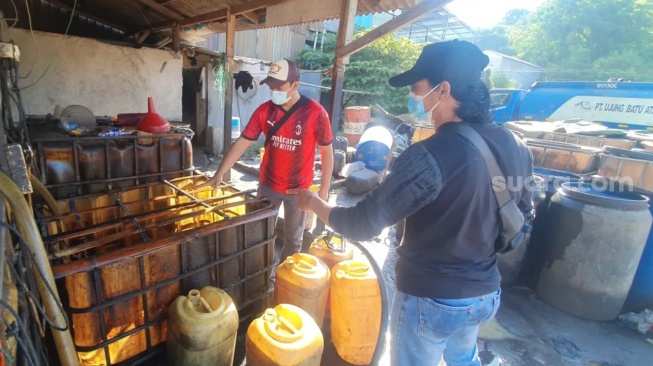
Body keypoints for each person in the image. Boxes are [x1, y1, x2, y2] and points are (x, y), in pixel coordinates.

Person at [289, 40, 534, 366]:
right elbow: (526, 211)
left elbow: (362, 224)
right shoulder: (518, 146)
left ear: (443, 90)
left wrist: (315, 203)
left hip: (432, 299)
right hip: (485, 294)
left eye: (418, 90)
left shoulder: (429, 155)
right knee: (464, 359)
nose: (414, 98)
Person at [198, 59, 334, 261]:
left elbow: (326, 152)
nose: (274, 92)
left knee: (294, 239)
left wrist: (323, 191)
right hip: (268, 185)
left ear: (295, 85)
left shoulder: (315, 113)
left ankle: (282, 277)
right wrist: (219, 174)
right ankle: (260, 277)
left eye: (279, 87)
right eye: (271, 87)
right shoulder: (264, 111)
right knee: (259, 235)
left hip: (299, 190)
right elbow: (242, 143)